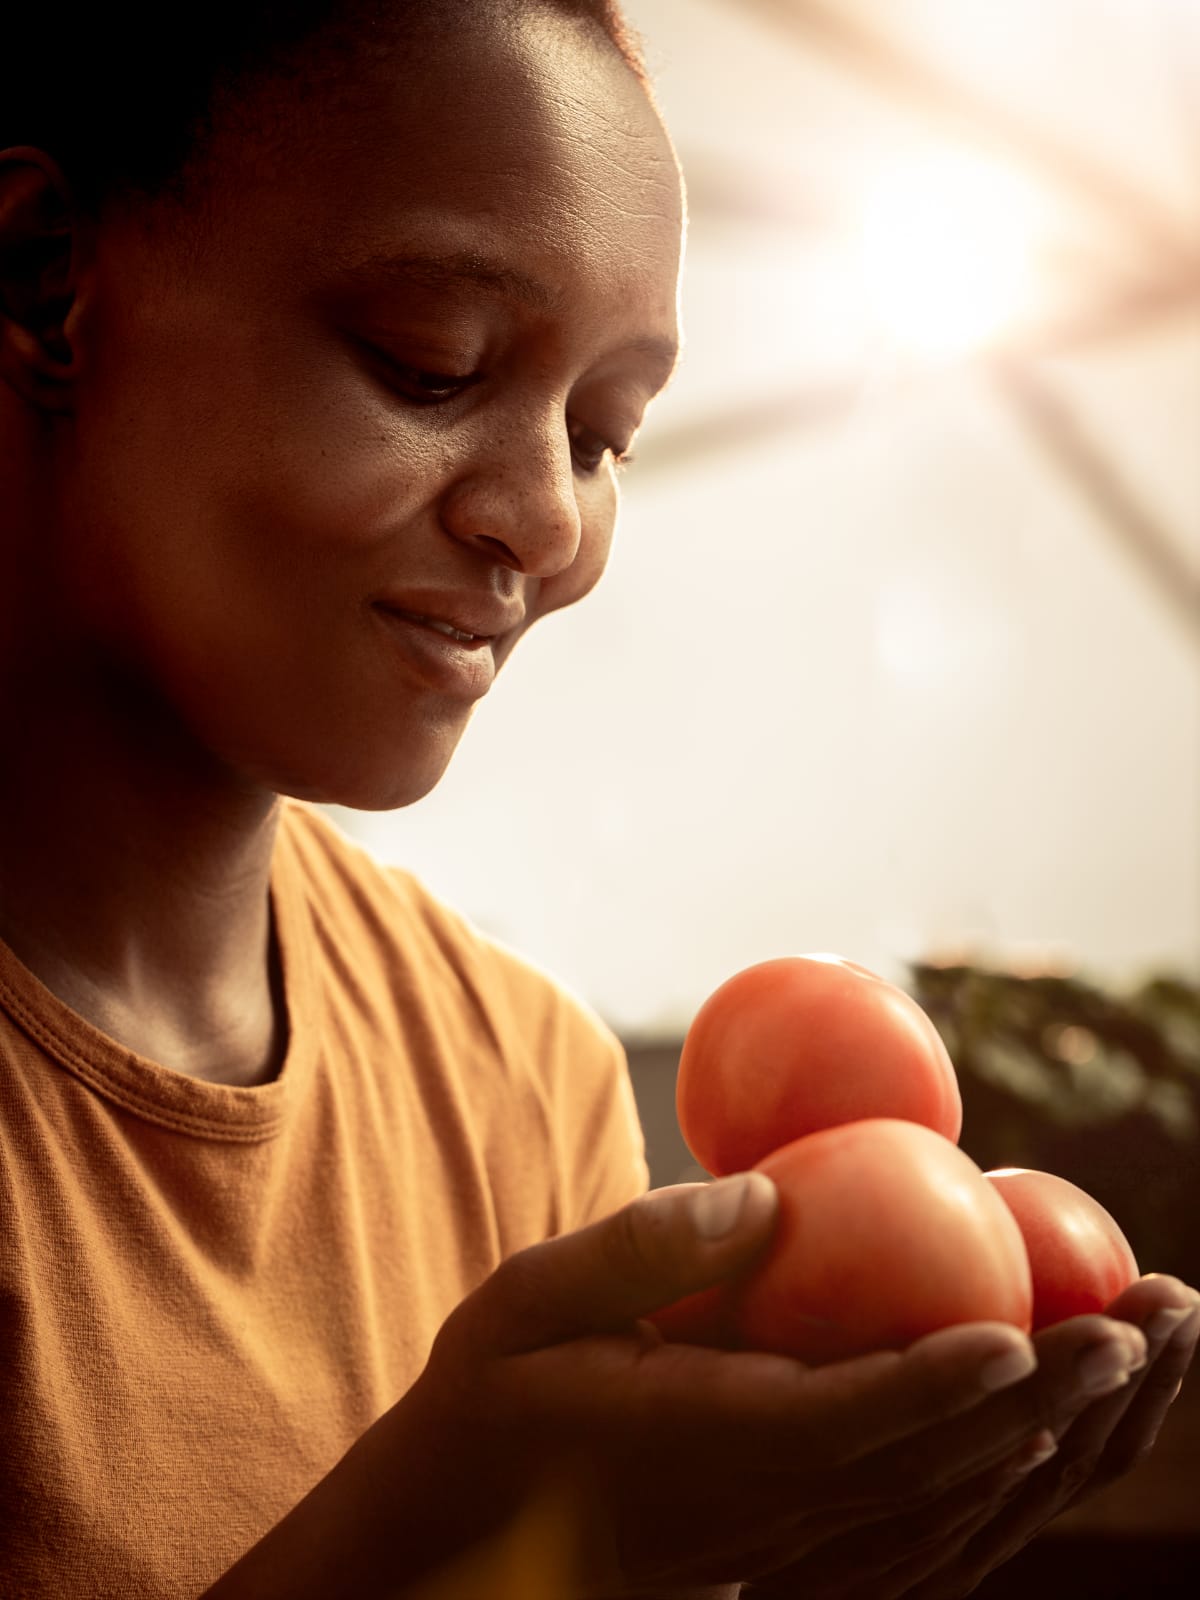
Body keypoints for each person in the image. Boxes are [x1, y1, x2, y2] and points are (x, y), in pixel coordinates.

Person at [1, 2, 1196, 1596]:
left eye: (602, 432)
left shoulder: (518, 1073)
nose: (545, 522)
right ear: (45, 277)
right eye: (431, 365)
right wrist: (451, 1543)